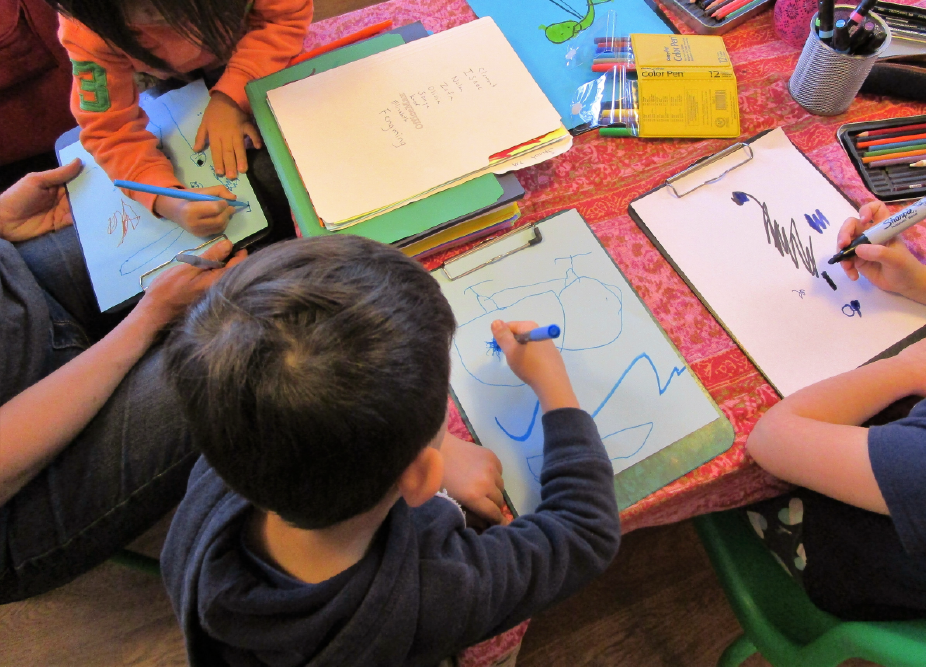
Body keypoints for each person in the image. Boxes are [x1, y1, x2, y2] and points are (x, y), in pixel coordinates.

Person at [159, 236, 621, 666]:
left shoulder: (228, 454)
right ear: (418, 480)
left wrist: (426, 449)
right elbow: (585, 532)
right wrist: (555, 389)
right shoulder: (433, 593)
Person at [0, 161, 246, 603]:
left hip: (18, 290)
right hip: (18, 478)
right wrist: (149, 317)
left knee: (245, 200)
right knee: (242, 343)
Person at [745, 200, 926, 621]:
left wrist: (909, 369)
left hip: (842, 549)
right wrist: (917, 281)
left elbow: (771, 440)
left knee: (734, 461)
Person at [46, 0, 311, 236]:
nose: (155, 15)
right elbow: (109, 131)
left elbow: (283, 18)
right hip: (165, 78)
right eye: (141, 10)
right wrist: (166, 199)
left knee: (282, 170)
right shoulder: (87, 29)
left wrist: (231, 96)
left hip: (250, 43)